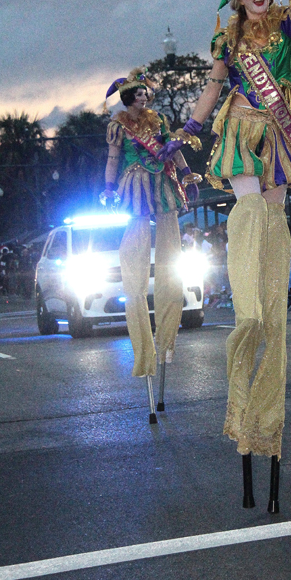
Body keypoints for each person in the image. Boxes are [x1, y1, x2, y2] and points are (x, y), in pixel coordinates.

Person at [159, 0, 291, 508]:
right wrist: (182, 135)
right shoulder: (228, 46)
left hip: (281, 135)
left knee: (275, 237)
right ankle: (250, 317)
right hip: (240, 132)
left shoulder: (288, 25)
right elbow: (208, 96)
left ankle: (268, 416)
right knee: (250, 227)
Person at [102, 68, 200, 419]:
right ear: (127, 99)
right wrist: (109, 187)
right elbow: (114, 159)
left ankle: (167, 341)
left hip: (162, 186)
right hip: (135, 188)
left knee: (172, 258)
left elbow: (172, 152)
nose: (143, 99)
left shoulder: (156, 122)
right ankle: (145, 352)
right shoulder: (118, 128)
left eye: (146, 94)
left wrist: (187, 174)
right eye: (137, 95)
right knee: (136, 268)